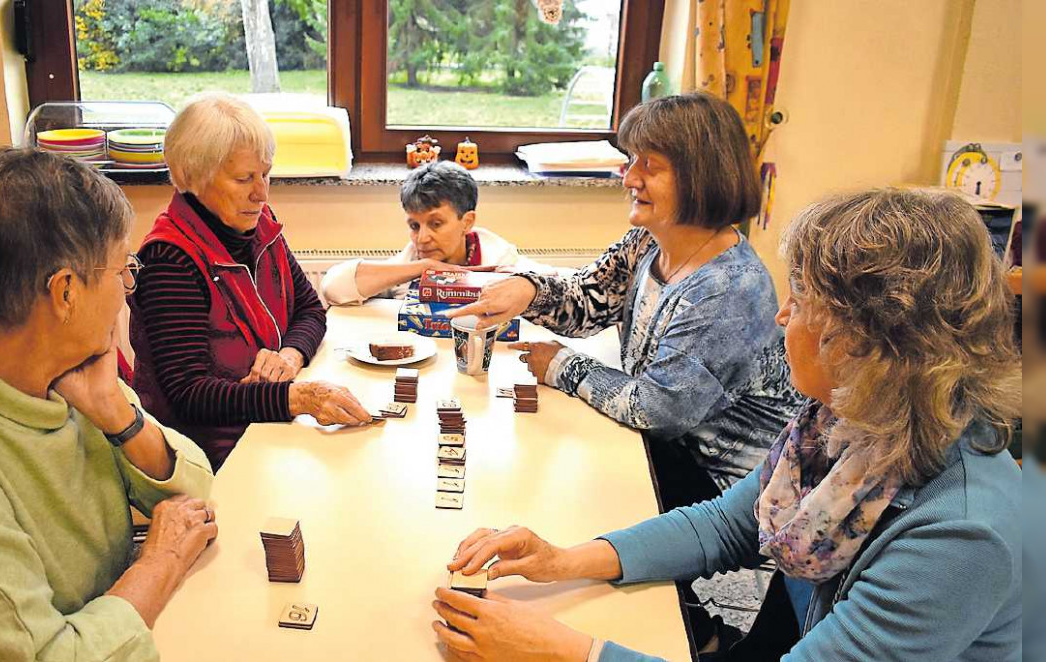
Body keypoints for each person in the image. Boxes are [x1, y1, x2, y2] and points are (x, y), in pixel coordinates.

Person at [434, 188, 1022, 661]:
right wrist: (563, 559)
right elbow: (725, 525)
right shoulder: (848, 420)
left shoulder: (960, 537)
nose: (781, 315)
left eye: (801, 301)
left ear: (868, 341)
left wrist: (568, 652)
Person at [0, 148, 219, 660]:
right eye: (122, 270)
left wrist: (117, 414)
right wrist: (159, 563)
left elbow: (198, 495)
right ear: (66, 293)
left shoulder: (62, 368)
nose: (126, 291)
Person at [130, 92, 370, 471]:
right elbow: (189, 395)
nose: (261, 193)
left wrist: (289, 357)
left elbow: (310, 309)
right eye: (244, 179)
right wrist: (296, 398)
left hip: (263, 434)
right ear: (194, 177)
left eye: (265, 174)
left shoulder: (259, 224)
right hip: (207, 459)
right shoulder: (169, 259)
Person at [320, 160, 558, 306]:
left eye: (436, 224)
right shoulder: (410, 261)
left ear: (467, 222)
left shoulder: (498, 257)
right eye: (414, 226)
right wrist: (425, 267)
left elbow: (559, 286)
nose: (422, 239)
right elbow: (333, 287)